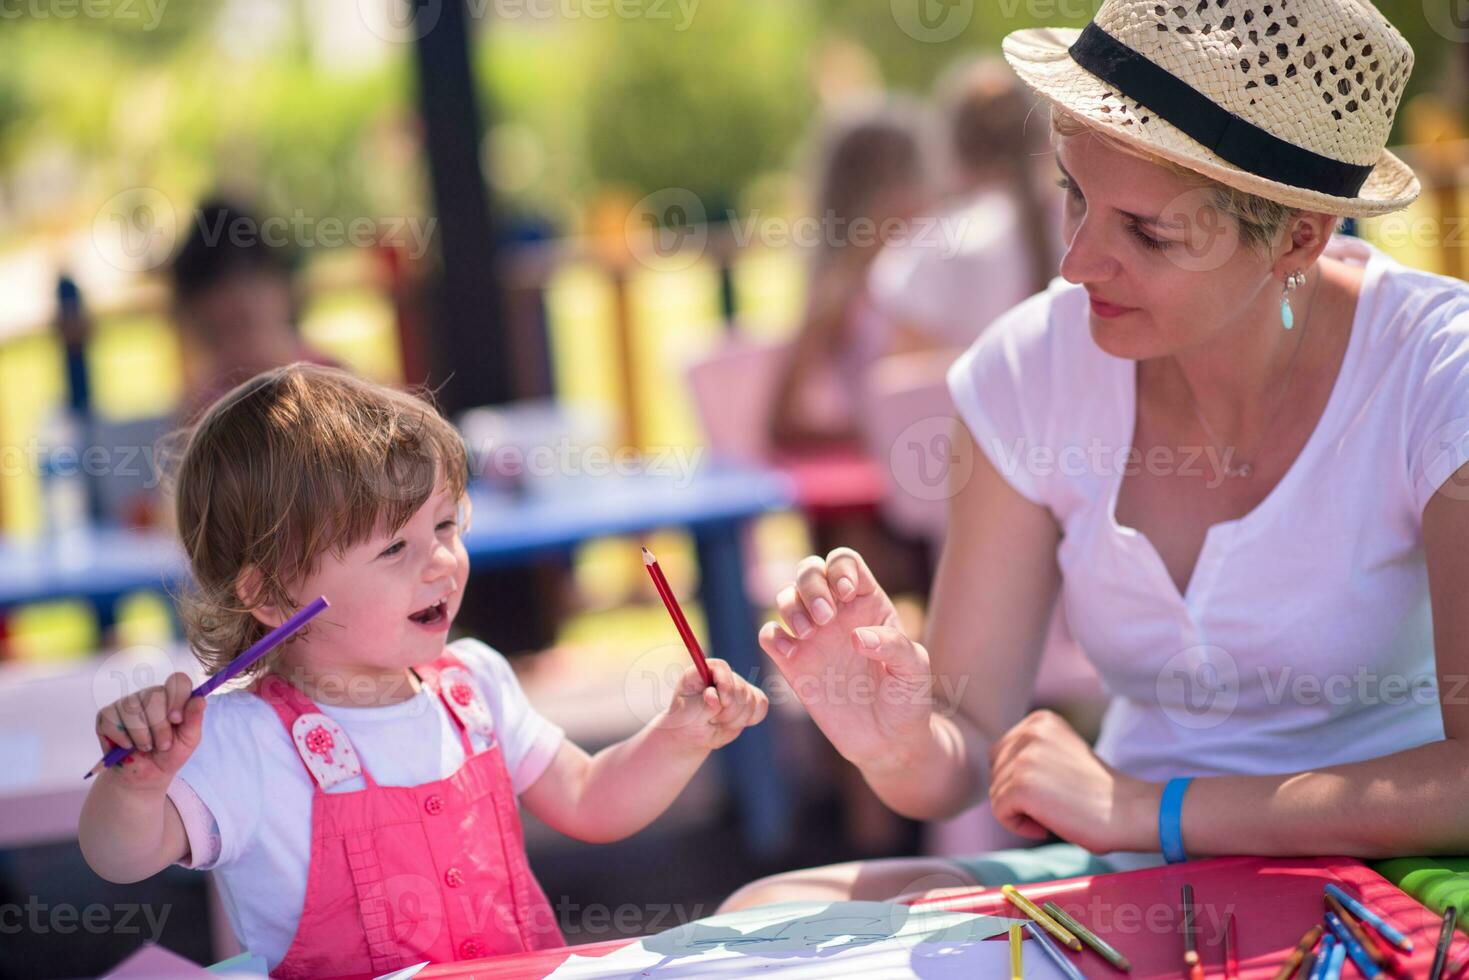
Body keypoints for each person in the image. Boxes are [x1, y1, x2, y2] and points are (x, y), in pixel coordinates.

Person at [723, 0, 1469, 911]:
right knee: (771, 911)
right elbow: (961, 747)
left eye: (1146, 232)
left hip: (1392, 879)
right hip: (1137, 865)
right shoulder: (1026, 365)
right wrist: (897, 738)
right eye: (1073, 194)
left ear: (1300, 236)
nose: (1075, 262)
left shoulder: (1438, 372)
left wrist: (1151, 810)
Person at [77, 363, 768, 976]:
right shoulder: (242, 738)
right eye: (393, 548)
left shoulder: (474, 684)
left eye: (444, 526)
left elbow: (589, 800)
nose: (441, 561)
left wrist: (679, 735)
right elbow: (119, 856)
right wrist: (137, 787)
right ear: (271, 594)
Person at [767, 98, 939, 451]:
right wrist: (870, 434)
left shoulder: (933, 269)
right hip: (897, 475)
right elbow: (782, 420)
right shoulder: (843, 288)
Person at [866, 56, 1064, 358]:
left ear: (949, 150)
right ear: (1045, 142)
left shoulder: (925, 250)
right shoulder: (1084, 231)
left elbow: (907, 391)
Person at [170, 197, 340, 423]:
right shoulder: (206, 415)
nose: (241, 300)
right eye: (228, 329)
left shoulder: (335, 383)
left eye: (251, 281)